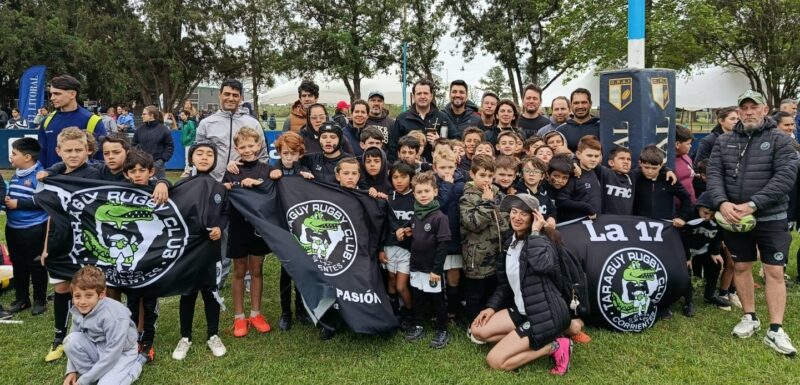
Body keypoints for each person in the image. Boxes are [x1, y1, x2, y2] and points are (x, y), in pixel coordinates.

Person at [707, 90, 799, 356]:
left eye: (753, 107)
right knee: (742, 265)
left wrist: (752, 205)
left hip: (770, 217)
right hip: (734, 218)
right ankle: (750, 317)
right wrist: (723, 203)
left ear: (765, 109)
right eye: (744, 107)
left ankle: (776, 329)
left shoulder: (781, 140)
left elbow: (784, 178)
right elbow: (714, 175)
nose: (748, 112)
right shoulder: (724, 141)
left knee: (774, 271)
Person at [469, 194, 572, 374]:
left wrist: (535, 232)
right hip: (523, 310)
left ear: (534, 217)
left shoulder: (544, 241)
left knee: (495, 361)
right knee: (478, 330)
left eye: (523, 214)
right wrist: (491, 308)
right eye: (514, 212)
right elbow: (505, 285)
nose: (517, 217)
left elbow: (542, 265)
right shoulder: (511, 242)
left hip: (544, 314)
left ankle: (556, 345)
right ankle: (523, 337)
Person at [40, 128, 102, 362]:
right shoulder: (52, 178)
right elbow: (50, 214)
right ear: (58, 151)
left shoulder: (97, 174)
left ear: (88, 150)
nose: (74, 154)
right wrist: (45, 246)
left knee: (89, 289)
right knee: (62, 289)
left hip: (87, 242)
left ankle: (93, 336)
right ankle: (59, 338)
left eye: (79, 149)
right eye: (68, 150)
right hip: (60, 241)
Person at [172, 142, 228, 360]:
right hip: (188, 249)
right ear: (191, 158)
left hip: (210, 249)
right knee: (187, 293)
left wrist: (219, 228)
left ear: (215, 160)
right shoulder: (182, 185)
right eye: (199, 154)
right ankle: (185, 337)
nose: (204, 158)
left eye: (209, 155)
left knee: (210, 292)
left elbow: (225, 213)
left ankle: (213, 334)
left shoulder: (219, 187)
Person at [222, 127, 272, 338]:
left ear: (259, 145)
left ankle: (256, 313)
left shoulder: (266, 169)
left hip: (258, 228)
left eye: (251, 145)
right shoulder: (232, 168)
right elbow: (224, 190)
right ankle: (239, 316)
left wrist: (259, 183)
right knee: (240, 270)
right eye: (243, 147)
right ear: (236, 148)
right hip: (238, 226)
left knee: (257, 269)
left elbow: (271, 192)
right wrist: (233, 183)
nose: (248, 150)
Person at [62, 266, 146, 385]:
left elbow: (112, 354)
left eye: (88, 295)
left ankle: (137, 364)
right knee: (70, 340)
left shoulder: (115, 316)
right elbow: (74, 334)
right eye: (77, 296)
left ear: (101, 294)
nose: (82, 302)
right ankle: (96, 376)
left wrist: (83, 381)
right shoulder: (79, 309)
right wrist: (72, 371)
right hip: (98, 345)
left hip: (121, 352)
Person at [120, 149, 164, 362]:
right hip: (129, 260)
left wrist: (163, 183)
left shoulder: (156, 189)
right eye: (133, 171)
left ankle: (149, 340)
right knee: (132, 301)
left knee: (149, 303)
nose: (137, 174)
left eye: (142, 170)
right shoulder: (119, 192)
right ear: (126, 174)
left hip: (152, 259)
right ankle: (133, 339)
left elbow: (175, 189)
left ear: (151, 171)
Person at [269, 132, 314, 330]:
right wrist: (270, 178)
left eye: (293, 153)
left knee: (303, 269)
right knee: (286, 271)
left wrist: (309, 179)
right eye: (285, 153)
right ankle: (286, 312)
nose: (289, 157)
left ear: (299, 154)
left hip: (300, 228)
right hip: (282, 227)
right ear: (279, 152)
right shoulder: (272, 171)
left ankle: (302, 309)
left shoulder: (303, 171)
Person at [402, 171, 452, 348]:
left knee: (437, 300)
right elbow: (415, 235)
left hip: (432, 269)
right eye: (419, 192)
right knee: (419, 298)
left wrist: (437, 270)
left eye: (427, 191)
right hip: (416, 267)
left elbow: (443, 245)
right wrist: (404, 231)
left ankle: (442, 330)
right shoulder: (416, 215)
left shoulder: (440, 217)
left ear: (435, 192)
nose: (423, 195)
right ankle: (418, 325)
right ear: (414, 194)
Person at [460, 155, 508, 325]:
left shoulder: (498, 194)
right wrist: (486, 203)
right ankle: (473, 325)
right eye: (482, 175)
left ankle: (490, 325)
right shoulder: (467, 197)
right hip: (477, 257)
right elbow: (474, 224)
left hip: (496, 254)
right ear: (472, 175)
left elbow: (504, 221)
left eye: (489, 176)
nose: (486, 180)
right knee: (475, 295)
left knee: (492, 292)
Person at [4, 138, 48, 316]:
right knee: (18, 265)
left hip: (34, 229)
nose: (11, 156)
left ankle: (40, 300)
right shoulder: (17, 174)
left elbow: (44, 201)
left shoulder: (41, 175)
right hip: (12, 227)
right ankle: (22, 299)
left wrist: (19, 204)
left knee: (36, 265)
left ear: (28, 157)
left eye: (14, 154)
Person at [38, 75, 107, 167]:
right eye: (51, 94)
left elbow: (100, 157)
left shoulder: (92, 121)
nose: (52, 98)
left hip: (83, 179)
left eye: (57, 94)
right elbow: (42, 155)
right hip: (52, 180)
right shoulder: (47, 121)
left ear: (72, 94)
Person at [680, 192, 732, 311]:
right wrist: (687, 257)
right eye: (706, 213)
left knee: (716, 263)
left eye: (713, 215)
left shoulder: (718, 219)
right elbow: (681, 236)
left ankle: (710, 295)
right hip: (685, 248)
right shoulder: (689, 213)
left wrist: (715, 252)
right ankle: (688, 301)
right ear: (699, 207)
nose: (708, 217)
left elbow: (718, 235)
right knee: (685, 269)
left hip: (703, 248)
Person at [388, 79, 454, 162]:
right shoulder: (402, 119)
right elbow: (393, 147)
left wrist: (439, 141)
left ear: (431, 96)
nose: (422, 96)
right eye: (419, 93)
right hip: (408, 169)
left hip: (436, 169)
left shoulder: (442, 117)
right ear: (413, 96)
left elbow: (456, 140)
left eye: (426, 93)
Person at [384, 161, 416, 327]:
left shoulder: (416, 197)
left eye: (403, 177)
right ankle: (394, 312)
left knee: (401, 285)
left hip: (408, 250)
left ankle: (410, 313)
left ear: (411, 178)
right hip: (390, 247)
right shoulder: (389, 198)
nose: (399, 181)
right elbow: (383, 225)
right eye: (395, 177)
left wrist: (410, 231)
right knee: (391, 280)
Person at [556, 136, 602, 222]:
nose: (593, 159)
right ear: (578, 154)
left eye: (596, 156)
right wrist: (586, 207)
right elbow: (561, 200)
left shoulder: (595, 171)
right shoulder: (573, 173)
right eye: (589, 155)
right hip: (576, 227)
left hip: (594, 227)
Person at [132, 106, 174, 179]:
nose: (142, 116)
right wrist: (137, 158)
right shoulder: (139, 129)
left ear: (152, 115)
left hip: (158, 166)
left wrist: (161, 161)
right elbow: (133, 145)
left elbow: (169, 147)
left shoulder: (163, 130)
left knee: (159, 187)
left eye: (144, 114)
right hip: (141, 165)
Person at [179, 110, 197, 176]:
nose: (181, 116)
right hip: (186, 143)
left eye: (183, 115)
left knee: (188, 158)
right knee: (188, 158)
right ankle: (188, 171)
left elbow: (193, 132)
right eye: (180, 115)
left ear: (187, 115)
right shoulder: (183, 123)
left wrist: (187, 139)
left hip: (190, 143)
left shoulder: (190, 122)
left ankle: (187, 172)